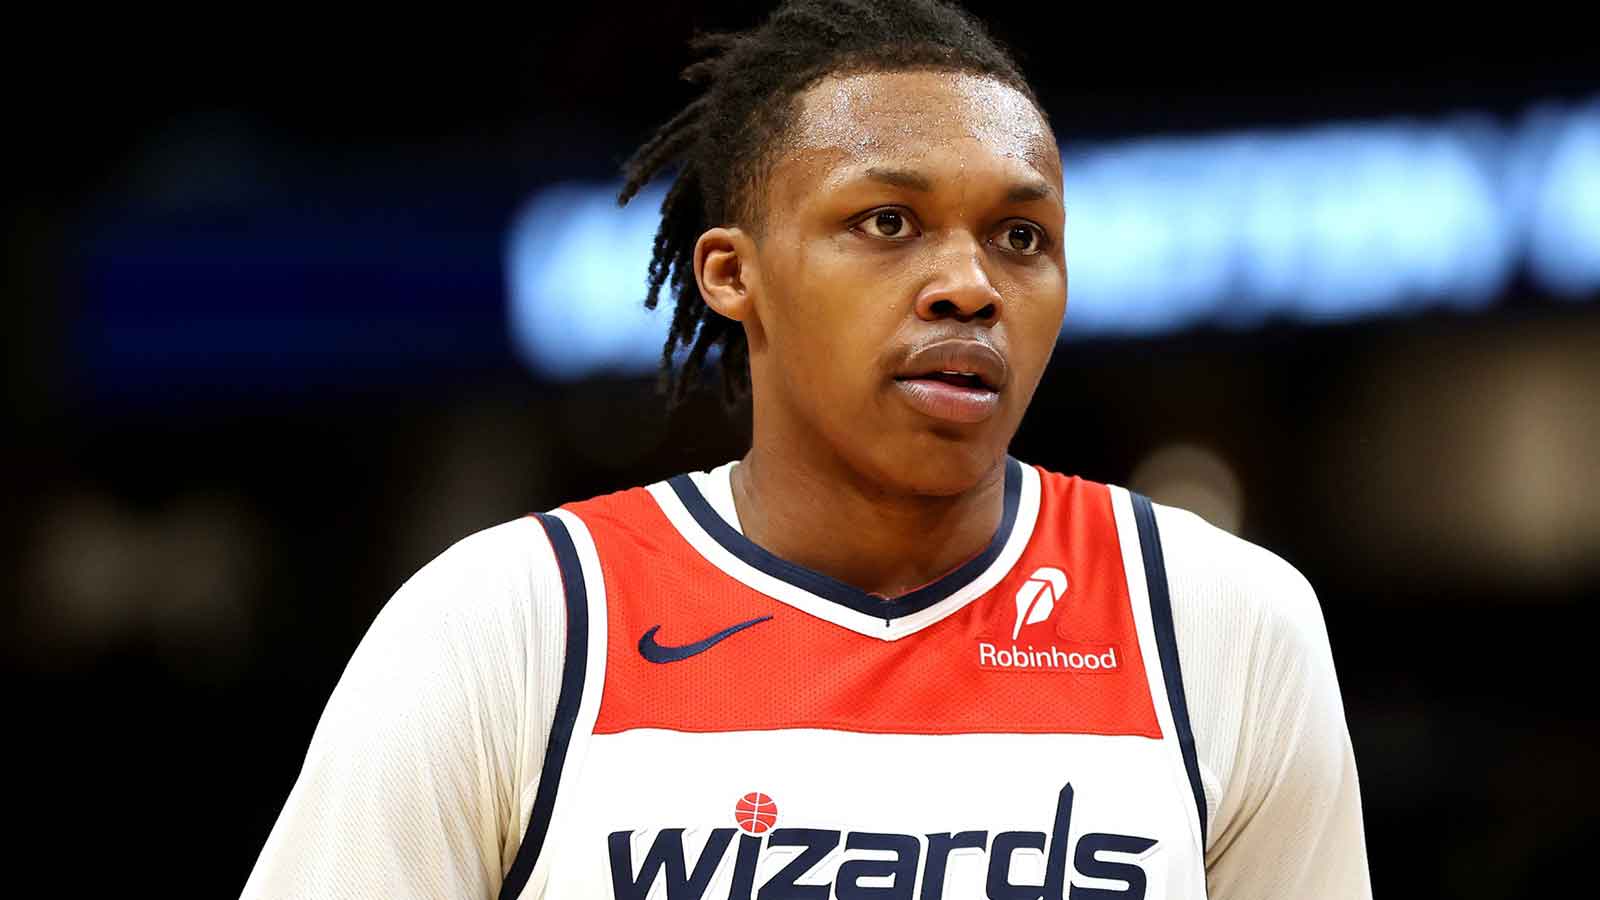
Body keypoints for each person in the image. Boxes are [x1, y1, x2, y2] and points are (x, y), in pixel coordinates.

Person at [241, 1, 1371, 897]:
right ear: (732, 274)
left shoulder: (1220, 619)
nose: (970, 284)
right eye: (887, 222)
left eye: (1020, 236)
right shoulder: (509, 622)